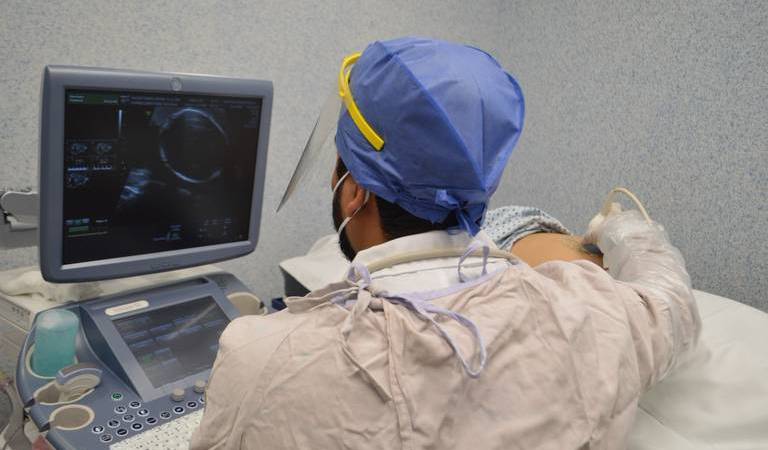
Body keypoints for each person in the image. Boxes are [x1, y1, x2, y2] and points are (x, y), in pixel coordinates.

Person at [190, 37, 700, 450]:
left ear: (355, 191)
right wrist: (621, 229)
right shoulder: (592, 314)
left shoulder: (259, 361)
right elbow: (671, 301)